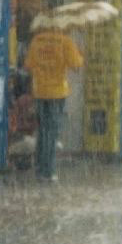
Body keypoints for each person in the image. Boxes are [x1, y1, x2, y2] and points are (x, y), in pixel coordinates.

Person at [25, 24, 83, 181]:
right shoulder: (65, 41)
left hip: (40, 91)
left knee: (43, 130)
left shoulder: (37, 40)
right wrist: (80, 54)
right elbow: (77, 65)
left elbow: (29, 65)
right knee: (52, 132)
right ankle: (48, 171)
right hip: (57, 93)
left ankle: (39, 168)